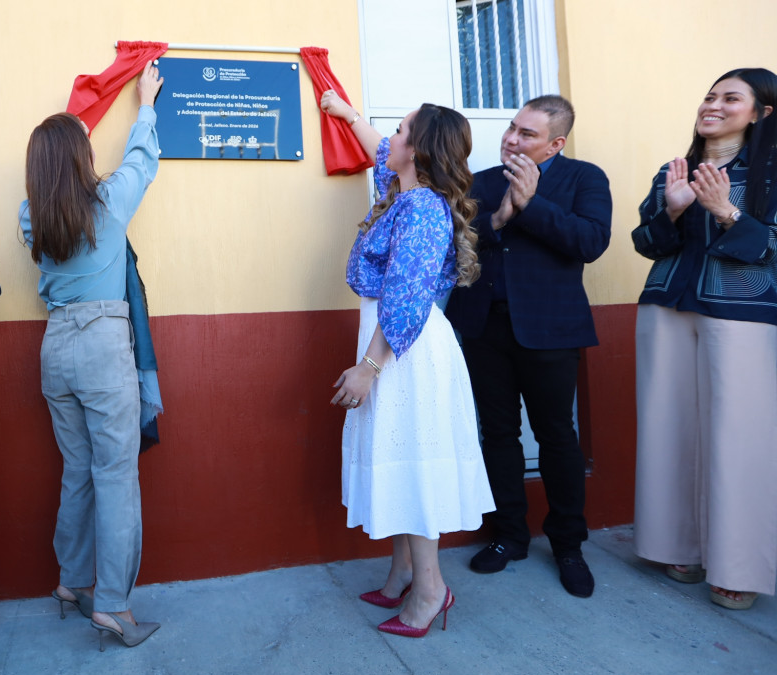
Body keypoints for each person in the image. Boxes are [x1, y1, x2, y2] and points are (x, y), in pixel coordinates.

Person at [320, 90, 494, 638]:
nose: (388, 137)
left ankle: (431, 591)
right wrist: (347, 116)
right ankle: (401, 574)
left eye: (398, 131)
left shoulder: (419, 209)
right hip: (394, 342)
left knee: (414, 466)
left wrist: (368, 369)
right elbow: (378, 153)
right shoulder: (404, 193)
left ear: (417, 151)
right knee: (402, 462)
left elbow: (406, 300)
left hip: (402, 348)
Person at [20, 61, 163, 649]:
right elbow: (142, 161)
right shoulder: (107, 204)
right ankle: (114, 606)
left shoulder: (33, 216)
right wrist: (146, 101)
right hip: (104, 342)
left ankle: (72, 583)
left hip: (56, 345)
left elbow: (57, 189)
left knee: (77, 470)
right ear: (80, 161)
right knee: (116, 476)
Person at [444, 95, 611, 598]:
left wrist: (532, 207)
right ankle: (509, 536)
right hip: (484, 330)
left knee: (558, 437)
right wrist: (498, 220)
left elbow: (590, 243)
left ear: (556, 143)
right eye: (512, 128)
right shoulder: (482, 183)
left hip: (550, 332)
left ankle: (568, 544)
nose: (512, 139)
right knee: (497, 434)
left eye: (527, 134)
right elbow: (457, 245)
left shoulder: (585, 179)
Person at [632, 68, 777, 611]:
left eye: (730, 98)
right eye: (710, 95)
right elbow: (647, 242)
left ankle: (739, 565)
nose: (712, 105)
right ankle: (679, 546)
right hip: (666, 309)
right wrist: (670, 208)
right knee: (670, 427)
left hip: (743, 315)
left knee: (739, 440)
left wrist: (727, 211)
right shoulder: (677, 169)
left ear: (762, 112)